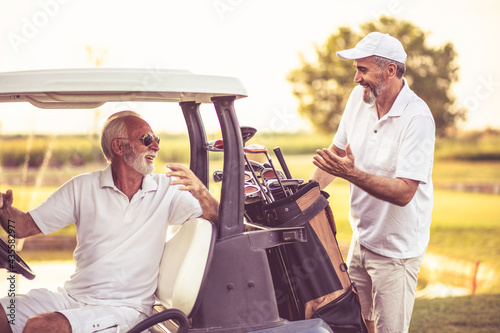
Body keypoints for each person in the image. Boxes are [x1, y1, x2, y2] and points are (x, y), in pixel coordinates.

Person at [0, 110, 219, 333]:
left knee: (42, 327)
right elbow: (21, 226)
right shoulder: (82, 187)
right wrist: (3, 210)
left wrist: (201, 191)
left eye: (156, 140)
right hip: (72, 297)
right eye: (147, 139)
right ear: (119, 147)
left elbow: (216, 218)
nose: (156, 146)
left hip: (125, 309)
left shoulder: (167, 190)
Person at [311, 32, 435, 333]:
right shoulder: (359, 99)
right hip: (362, 239)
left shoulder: (416, 118)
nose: (356, 78)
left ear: (390, 70)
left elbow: (405, 191)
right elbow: (336, 154)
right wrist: (304, 198)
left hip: (397, 251)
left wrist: (352, 174)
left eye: (362, 70)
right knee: (358, 324)